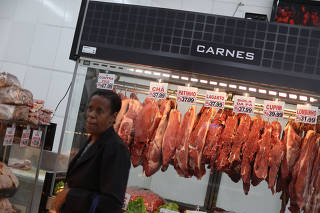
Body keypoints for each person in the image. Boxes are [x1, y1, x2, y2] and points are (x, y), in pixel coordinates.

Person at [54, 90, 131, 213]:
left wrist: (69, 195)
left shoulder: (116, 149)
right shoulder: (92, 139)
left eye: (99, 111)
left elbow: (111, 205)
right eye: (90, 108)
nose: (91, 114)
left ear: (113, 117)